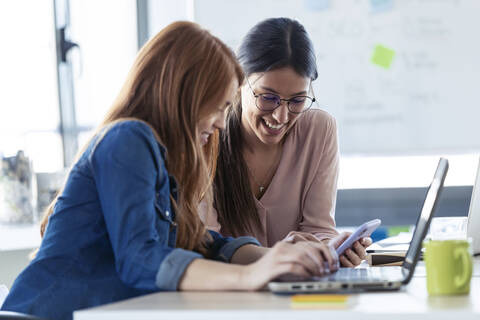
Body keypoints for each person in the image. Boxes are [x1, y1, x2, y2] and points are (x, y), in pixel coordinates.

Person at [0, 22, 339, 320]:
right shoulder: (127, 139)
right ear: (189, 94)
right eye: (219, 106)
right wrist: (248, 276)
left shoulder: (160, 157)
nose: (223, 121)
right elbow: (139, 258)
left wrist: (276, 259)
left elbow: (199, 242)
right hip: (45, 314)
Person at [199, 18, 371, 268]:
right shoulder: (208, 136)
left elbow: (318, 229)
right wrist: (283, 255)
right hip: (231, 293)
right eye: (268, 97)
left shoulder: (319, 131)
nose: (281, 116)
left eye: (298, 101)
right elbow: (207, 244)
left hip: (298, 294)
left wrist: (333, 249)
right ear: (238, 84)